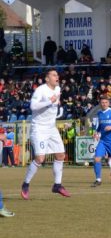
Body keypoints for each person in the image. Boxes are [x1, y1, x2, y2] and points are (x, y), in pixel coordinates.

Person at [20, 69, 71, 200]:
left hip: (51, 127)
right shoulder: (41, 90)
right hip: (39, 128)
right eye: (54, 75)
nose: (57, 77)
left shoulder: (58, 89)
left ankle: (57, 185)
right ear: (47, 79)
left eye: (57, 75)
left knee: (61, 154)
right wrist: (50, 101)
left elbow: (55, 106)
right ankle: (25, 184)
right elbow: (33, 106)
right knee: (40, 159)